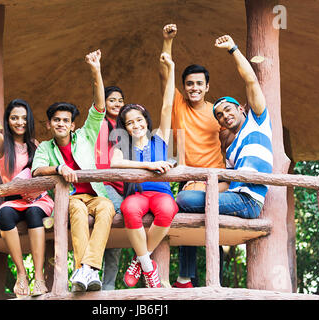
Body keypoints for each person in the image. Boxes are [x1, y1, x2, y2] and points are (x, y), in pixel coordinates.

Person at [176, 34, 274, 288]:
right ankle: (195, 280)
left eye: (228, 110)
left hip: (248, 200)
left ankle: (203, 280)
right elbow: (222, 183)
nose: (224, 116)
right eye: (219, 115)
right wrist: (197, 183)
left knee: (183, 201)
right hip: (233, 197)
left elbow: (251, 80)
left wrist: (233, 49)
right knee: (187, 202)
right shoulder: (230, 151)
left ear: (242, 108)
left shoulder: (258, 121)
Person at [31, 49, 115, 292]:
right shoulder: (46, 147)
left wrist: (96, 69)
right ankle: (85, 269)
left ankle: (85, 270)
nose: (61, 124)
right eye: (56, 120)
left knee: (108, 207)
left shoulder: (86, 135)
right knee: (77, 208)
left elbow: (100, 105)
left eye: (66, 120)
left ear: (72, 125)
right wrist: (59, 167)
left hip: (95, 196)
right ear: (49, 124)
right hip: (68, 199)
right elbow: (36, 171)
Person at [159, 24, 231, 288]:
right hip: (187, 176)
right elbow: (164, 75)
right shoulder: (177, 104)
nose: (194, 88)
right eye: (189, 84)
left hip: (215, 179)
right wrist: (167, 43)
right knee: (184, 220)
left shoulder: (218, 112)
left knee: (217, 228)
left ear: (207, 86)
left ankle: (217, 283)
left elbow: (231, 139)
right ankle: (185, 278)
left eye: (199, 83)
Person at [0, 95, 54, 298]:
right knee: (5, 214)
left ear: (29, 120)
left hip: (38, 199)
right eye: (15, 118)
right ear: (8, 120)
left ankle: (39, 277)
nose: (20, 122)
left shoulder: (36, 145)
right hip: (14, 199)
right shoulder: (3, 145)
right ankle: (22, 274)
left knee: (35, 214)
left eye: (24, 118)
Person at [110, 52, 178, 288]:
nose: (136, 125)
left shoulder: (159, 138)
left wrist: (171, 69)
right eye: (129, 123)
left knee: (168, 208)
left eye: (139, 120)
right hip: (138, 196)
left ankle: (140, 261)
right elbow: (115, 164)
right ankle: (150, 269)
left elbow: (168, 104)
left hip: (161, 194)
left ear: (146, 120)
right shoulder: (123, 146)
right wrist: (148, 165)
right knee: (128, 208)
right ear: (125, 128)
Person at [95, 86, 126, 290]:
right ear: (104, 103)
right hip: (105, 183)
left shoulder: (126, 125)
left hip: (123, 186)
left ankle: (108, 288)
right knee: (121, 217)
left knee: (116, 240)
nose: (117, 103)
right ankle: (91, 278)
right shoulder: (101, 124)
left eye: (120, 100)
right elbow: (98, 158)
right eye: (112, 100)